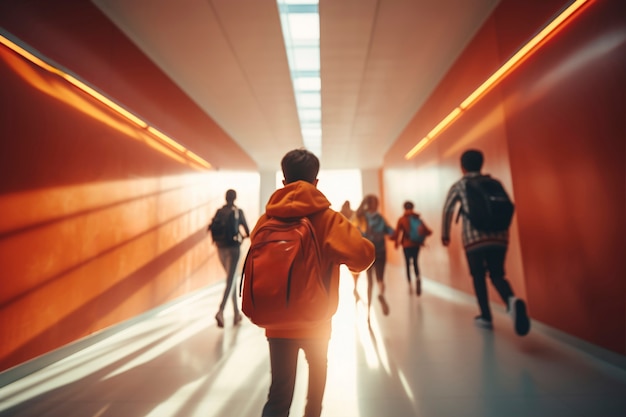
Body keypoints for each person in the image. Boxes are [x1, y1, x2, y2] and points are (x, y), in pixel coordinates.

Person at [253, 149, 375, 417]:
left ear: (283, 182)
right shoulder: (328, 219)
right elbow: (363, 256)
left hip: (277, 320)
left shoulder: (267, 220)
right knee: (318, 374)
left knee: (279, 393)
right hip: (317, 318)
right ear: (316, 182)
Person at [442, 149, 530, 336]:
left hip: (474, 238)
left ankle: (485, 317)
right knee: (497, 274)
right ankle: (511, 300)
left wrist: (445, 234)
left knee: (478, 275)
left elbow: (448, 209)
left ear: (462, 167)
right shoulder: (494, 182)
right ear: (481, 164)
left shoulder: (460, 185)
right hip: (500, 236)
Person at [211, 189, 250, 328]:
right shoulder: (238, 212)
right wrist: (243, 238)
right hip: (234, 248)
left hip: (220, 248)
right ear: (235, 198)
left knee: (231, 279)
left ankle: (236, 314)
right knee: (231, 280)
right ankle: (220, 311)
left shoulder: (219, 212)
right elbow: (247, 230)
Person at [357, 194, 394, 319]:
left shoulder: (363, 218)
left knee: (369, 283)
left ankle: (368, 312)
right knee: (380, 279)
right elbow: (390, 232)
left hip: (369, 252)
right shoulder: (380, 218)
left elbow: (358, 232)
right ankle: (381, 294)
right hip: (381, 251)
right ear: (377, 205)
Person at [394, 201, 430, 296]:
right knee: (415, 262)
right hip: (416, 245)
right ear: (413, 208)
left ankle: (410, 284)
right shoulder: (417, 218)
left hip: (406, 245)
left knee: (407, 263)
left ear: (404, 208)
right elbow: (427, 231)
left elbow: (397, 233)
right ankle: (418, 277)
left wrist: (396, 243)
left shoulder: (402, 219)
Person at [340, 200, 365, 300]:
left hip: (344, 245)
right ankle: (355, 286)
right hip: (354, 243)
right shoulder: (354, 214)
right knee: (355, 267)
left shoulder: (340, 214)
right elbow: (359, 229)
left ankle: (354, 287)